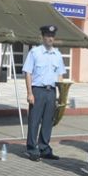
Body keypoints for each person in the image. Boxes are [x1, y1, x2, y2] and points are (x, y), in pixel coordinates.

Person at [23, 25, 66, 161]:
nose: (50, 38)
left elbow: (60, 76)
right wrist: (30, 93)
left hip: (51, 91)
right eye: (47, 36)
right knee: (34, 121)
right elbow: (28, 73)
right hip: (38, 90)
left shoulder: (57, 54)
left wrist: (61, 95)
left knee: (48, 121)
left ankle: (44, 148)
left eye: (52, 36)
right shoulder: (35, 52)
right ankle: (32, 149)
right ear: (42, 37)